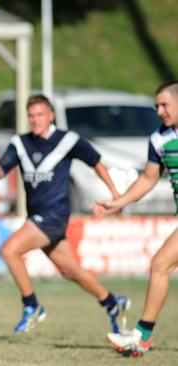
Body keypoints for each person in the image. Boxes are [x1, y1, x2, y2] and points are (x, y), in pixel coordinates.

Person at [0, 94, 130, 334]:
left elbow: (96, 162)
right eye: (31, 115)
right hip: (37, 216)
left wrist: (116, 194)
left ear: (51, 115)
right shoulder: (21, 143)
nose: (35, 120)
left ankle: (32, 306)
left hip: (55, 215)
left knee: (10, 250)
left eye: (40, 114)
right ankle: (113, 303)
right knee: (70, 271)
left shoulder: (68, 140)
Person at [95, 80, 178, 357]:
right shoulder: (158, 139)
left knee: (160, 264)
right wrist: (116, 202)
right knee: (160, 265)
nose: (159, 111)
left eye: (165, 105)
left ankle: (141, 337)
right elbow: (148, 179)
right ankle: (141, 338)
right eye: (156, 106)